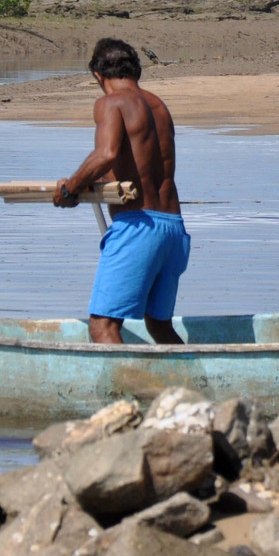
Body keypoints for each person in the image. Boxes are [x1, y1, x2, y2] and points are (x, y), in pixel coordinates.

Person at [53, 38, 189, 344]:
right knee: (159, 325)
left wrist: (69, 189)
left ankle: (126, 391)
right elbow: (141, 167)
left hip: (138, 227)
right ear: (136, 71)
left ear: (98, 76)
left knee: (103, 327)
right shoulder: (159, 107)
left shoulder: (110, 103)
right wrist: (88, 185)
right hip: (173, 229)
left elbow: (107, 154)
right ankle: (190, 387)